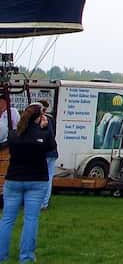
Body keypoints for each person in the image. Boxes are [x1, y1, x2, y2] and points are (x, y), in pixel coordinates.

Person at [0, 104, 56, 263]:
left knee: (7, 219)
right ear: (39, 118)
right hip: (37, 180)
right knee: (31, 219)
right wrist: (45, 129)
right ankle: (26, 257)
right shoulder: (42, 135)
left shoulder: (13, 135)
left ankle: (1, 254)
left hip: (14, 179)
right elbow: (52, 146)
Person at [36, 102, 57, 212]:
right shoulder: (51, 119)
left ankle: (40, 202)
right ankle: (44, 202)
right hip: (52, 152)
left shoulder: (40, 120)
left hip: (43, 152)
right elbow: (54, 135)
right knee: (48, 178)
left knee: (40, 177)